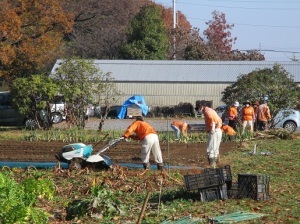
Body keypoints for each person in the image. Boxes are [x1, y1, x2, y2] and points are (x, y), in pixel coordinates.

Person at [195, 102, 222, 168]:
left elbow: (211, 119)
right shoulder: (209, 110)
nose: (198, 111)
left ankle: (212, 165)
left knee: (210, 149)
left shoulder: (207, 112)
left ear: (200, 107)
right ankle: (216, 164)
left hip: (214, 131)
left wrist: (212, 129)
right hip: (218, 130)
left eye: (198, 109)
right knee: (215, 148)